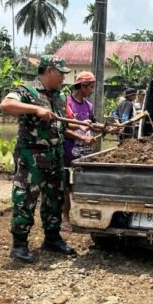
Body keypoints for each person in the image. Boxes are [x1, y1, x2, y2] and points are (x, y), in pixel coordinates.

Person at [0, 55, 79, 263]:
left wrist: (82, 128)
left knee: (55, 198)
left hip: (55, 155)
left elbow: (63, 125)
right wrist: (35, 108)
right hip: (31, 157)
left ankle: (52, 239)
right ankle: (19, 245)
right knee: (26, 198)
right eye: (61, 73)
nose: (63, 77)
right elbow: (6, 105)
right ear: (49, 71)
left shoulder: (59, 96)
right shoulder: (27, 91)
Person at [62, 71, 98, 229]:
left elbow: (93, 124)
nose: (92, 90)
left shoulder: (88, 105)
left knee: (82, 185)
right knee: (66, 187)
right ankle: (65, 218)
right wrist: (82, 137)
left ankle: (85, 216)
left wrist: (109, 128)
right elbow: (63, 129)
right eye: (91, 86)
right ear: (83, 85)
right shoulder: (67, 103)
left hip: (84, 153)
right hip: (68, 151)